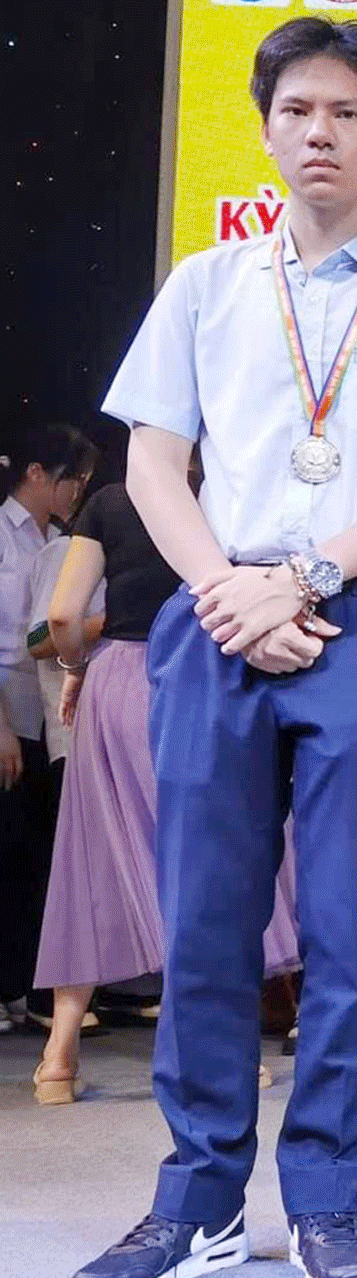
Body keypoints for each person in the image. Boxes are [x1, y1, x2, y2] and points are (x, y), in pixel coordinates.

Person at [75, 16, 357, 1278]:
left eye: (347, 113)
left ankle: (327, 1199)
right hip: (217, 619)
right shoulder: (207, 284)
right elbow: (152, 460)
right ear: (265, 128)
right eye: (299, 110)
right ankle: (199, 1199)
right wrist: (226, 589)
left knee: (344, 922)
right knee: (205, 920)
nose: (320, 132)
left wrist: (306, 576)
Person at [34, 479, 303, 1102]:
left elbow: (62, 615)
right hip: (206, 672)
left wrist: (75, 670)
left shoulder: (110, 500)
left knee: (92, 857)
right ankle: (220, 1048)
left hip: (116, 683)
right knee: (211, 858)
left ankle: (58, 1057)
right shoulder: (236, 486)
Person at [1, 426, 97, 1033]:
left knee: (34, 850)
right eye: (72, 480)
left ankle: (21, 988)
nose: (76, 492)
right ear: (37, 473)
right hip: (6, 699)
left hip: (41, 707)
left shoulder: (62, 539)